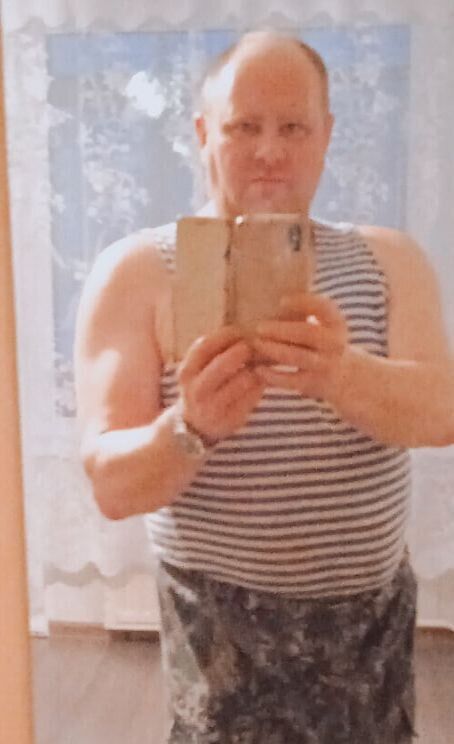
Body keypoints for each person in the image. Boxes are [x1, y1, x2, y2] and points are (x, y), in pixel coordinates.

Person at [74, 30, 454, 743]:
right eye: (244, 126)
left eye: (293, 127)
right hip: (218, 639)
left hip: (367, 637)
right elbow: (111, 486)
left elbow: (442, 414)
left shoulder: (389, 261)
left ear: (326, 136)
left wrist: (342, 373)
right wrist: (190, 427)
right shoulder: (138, 273)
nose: (270, 151)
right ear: (202, 135)